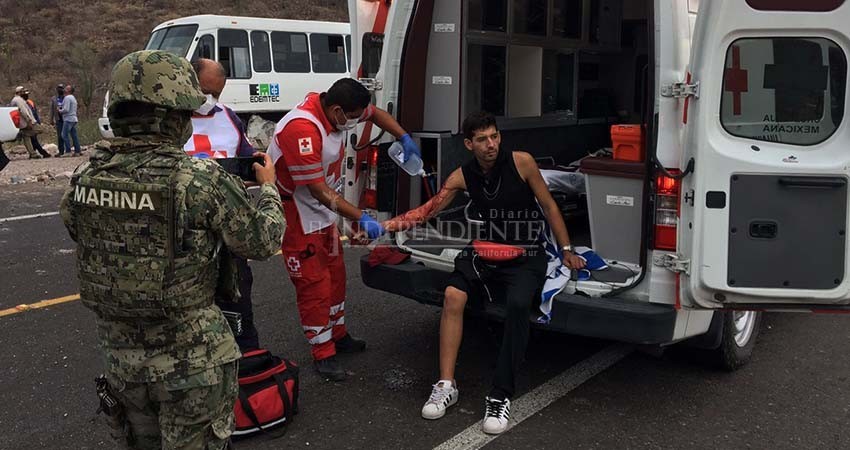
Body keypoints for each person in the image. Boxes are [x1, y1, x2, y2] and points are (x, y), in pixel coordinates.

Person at [59, 50, 285, 449]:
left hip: (122, 363)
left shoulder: (86, 176)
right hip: (192, 364)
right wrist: (267, 189)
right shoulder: (196, 179)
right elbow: (263, 240)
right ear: (174, 116)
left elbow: (80, 230)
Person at [382, 111, 586, 435]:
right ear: (468, 144)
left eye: (494, 136)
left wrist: (566, 250)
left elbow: (548, 206)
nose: (491, 144)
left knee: (518, 305)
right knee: (452, 295)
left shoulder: (522, 163)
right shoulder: (462, 175)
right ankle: (446, 384)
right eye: (482, 139)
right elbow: (428, 210)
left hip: (526, 253)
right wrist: (384, 226)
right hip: (484, 250)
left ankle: (500, 394)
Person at [268, 77, 421, 380]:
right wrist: (360, 217)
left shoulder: (337, 109)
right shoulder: (303, 130)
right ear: (337, 110)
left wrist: (404, 137)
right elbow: (318, 191)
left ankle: (337, 334)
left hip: (324, 213)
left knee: (336, 276)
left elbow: (375, 114)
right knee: (314, 285)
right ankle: (322, 351)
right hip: (298, 215)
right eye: (350, 118)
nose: (353, 122)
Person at [184, 58, 260, 351]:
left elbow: (245, 156)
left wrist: (255, 165)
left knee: (239, 309)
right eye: (205, 91)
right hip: (186, 242)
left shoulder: (228, 116)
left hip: (229, 236)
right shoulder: (164, 123)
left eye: (216, 94)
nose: (210, 101)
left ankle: (248, 369)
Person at [10, 86, 47, 159]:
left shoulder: (18, 99)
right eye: (22, 91)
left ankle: (33, 154)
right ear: (19, 92)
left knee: (26, 138)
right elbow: (24, 111)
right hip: (26, 122)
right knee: (40, 129)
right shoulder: (18, 100)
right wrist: (29, 120)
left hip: (23, 122)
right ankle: (33, 152)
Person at [24, 90, 52, 157]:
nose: (27, 95)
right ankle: (41, 153)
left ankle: (35, 153)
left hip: (33, 122)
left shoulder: (30, 102)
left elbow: (35, 113)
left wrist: (38, 122)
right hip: (27, 124)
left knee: (33, 139)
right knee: (33, 139)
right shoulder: (21, 103)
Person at [58, 84, 82, 156]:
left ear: (69, 90)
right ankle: (77, 151)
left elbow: (66, 109)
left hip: (68, 119)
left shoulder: (67, 98)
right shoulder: (73, 98)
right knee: (74, 135)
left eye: (66, 88)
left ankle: (68, 151)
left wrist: (59, 110)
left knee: (64, 135)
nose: (64, 89)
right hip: (74, 118)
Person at [49, 84, 66, 156]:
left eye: (61, 88)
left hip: (66, 118)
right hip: (58, 119)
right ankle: (61, 151)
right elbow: (51, 109)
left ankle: (68, 149)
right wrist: (51, 119)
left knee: (67, 135)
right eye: (59, 88)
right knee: (59, 136)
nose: (60, 90)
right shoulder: (54, 98)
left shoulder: (66, 98)